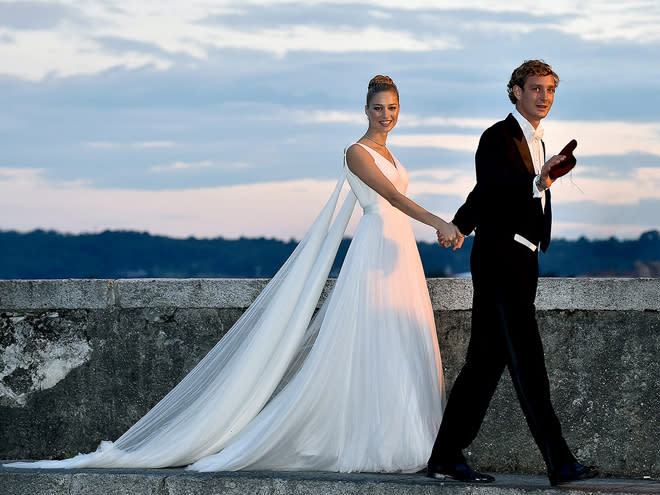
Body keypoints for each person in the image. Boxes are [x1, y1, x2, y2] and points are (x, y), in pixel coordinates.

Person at [5, 75, 462, 473]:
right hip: (375, 247)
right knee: (370, 344)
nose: (386, 116)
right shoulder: (356, 153)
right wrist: (439, 222)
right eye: (379, 108)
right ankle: (372, 441)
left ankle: (411, 437)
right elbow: (393, 201)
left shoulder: (394, 153)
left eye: (393, 109)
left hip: (399, 254)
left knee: (399, 342)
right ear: (365, 110)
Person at [427, 60, 599, 486]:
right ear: (516, 92)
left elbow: (482, 193)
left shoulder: (539, 142)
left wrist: (460, 225)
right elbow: (500, 184)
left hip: (523, 261)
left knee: (484, 364)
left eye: (550, 90)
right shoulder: (496, 136)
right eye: (536, 88)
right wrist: (538, 181)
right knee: (528, 359)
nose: (544, 97)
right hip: (500, 260)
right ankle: (559, 461)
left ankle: (446, 456)